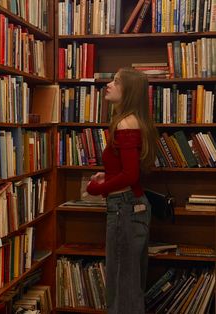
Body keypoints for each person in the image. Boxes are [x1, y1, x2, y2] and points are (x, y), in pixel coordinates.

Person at [86, 67, 157, 314]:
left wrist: (99, 188)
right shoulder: (131, 120)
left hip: (124, 210)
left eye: (116, 82)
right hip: (130, 206)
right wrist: (108, 176)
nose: (109, 84)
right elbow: (127, 170)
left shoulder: (126, 123)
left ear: (128, 92)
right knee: (127, 285)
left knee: (122, 289)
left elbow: (131, 175)